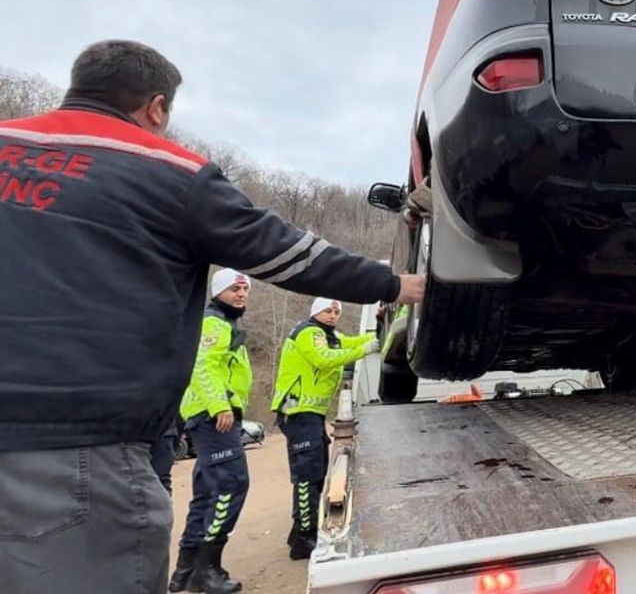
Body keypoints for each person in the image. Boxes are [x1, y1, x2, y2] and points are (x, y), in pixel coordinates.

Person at [0, 40, 425, 594]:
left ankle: (202, 568)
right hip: (77, 448)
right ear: (156, 107)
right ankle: (203, 570)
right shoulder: (166, 171)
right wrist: (396, 283)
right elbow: (289, 254)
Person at [271, 298, 378, 560]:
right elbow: (324, 359)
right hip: (298, 413)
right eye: (327, 311)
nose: (332, 315)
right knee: (307, 476)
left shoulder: (330, 335)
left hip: (311, 415)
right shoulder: (309, 332)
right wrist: (365, 350)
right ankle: (304, 539)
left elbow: (350, 342)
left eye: (336, 311)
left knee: (315, 474)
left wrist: (376, 337)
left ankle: (299, 531)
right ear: (315, 312)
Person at [171, 269, 255, 593]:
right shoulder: (215, 323)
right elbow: (202, 363)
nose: (241, 294)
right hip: (213, 415)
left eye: (245, 289)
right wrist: (220, 405)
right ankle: (208, 569)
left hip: (206, 414)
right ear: (218, 291)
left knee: (207, 493)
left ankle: (186, 571)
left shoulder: (223, 323)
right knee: (232, 483)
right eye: (234, 288)